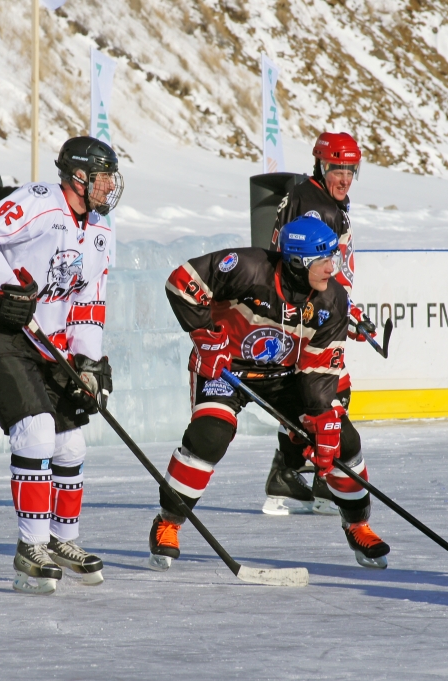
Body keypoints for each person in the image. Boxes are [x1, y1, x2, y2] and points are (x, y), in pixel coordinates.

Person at [149, 215, 390, 572]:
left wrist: (322, 417)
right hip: (225, 367)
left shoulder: (333, 300)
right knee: (209, 436)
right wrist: (204, 336)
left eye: (333, 258)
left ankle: (358, 524)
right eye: (324, 260)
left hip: (285, 376)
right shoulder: (247, 268)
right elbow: (182, 283)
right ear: (297, 261)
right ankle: (168, 520)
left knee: (341, 438)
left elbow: (319, 368)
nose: (332, 268)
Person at [0, 136, 123, 595]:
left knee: (71, 445)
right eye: (103, 176)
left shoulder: (101, 230)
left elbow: (88, 303)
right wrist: (9, 287)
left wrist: (87, 362)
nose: (110, 185)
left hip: (48, 342)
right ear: (79, 177)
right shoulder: (38, 202)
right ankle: (31, 548)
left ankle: (63, 543)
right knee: (36, 430)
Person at [262, 132, 376, 516]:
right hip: (312, 312)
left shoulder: (316, 196)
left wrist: (347, 309)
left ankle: (296, 473)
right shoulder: (318, 208)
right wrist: (339, 308)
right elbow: (311, 266)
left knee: (317, 394)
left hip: (316, 308)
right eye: (336, 168)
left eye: (350, 169)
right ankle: (307, 475)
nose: (344, 177)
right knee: (328, 393)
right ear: (320, 166)